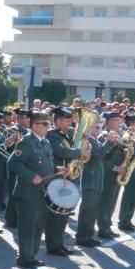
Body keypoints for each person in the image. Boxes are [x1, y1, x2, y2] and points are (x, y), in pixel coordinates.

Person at [8, 111, 55, 268]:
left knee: (38, 225)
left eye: (48, 123)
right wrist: (31, 176)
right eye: (46, 124)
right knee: (28, 226)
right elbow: (13, 163)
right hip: (28, 192)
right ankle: (24, 257)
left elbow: (48, 165)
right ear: (35, 125)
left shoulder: (45, 142)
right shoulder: (26, 142)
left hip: (44, 192)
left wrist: (59, 169)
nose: (49, 126)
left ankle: (31, 255)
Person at [46, 107, 88, 256]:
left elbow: (74, 149)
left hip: (68, 176)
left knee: (64, 211)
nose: (71, 122)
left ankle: (59, 243)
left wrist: (83, 152)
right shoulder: (52, 135)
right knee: (55, 213)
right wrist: (79, 152)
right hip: (56, 176)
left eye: (71, 119)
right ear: (57, 121)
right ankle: (52, 245)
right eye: (67, 120)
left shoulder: (69, 134)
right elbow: (59, 151)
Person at [75, 120, 116, 247]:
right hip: (90, 179)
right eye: (97, 127)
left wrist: (113, 145)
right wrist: (109, 142)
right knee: (87, 209)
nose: (100, 129)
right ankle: (82, 237)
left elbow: (103, 155)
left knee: (93, 210)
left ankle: (89, 235)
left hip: (97, 179)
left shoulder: (96, 140)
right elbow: (97, 154)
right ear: (89, 128)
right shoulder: (87, 141)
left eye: (100, 127)